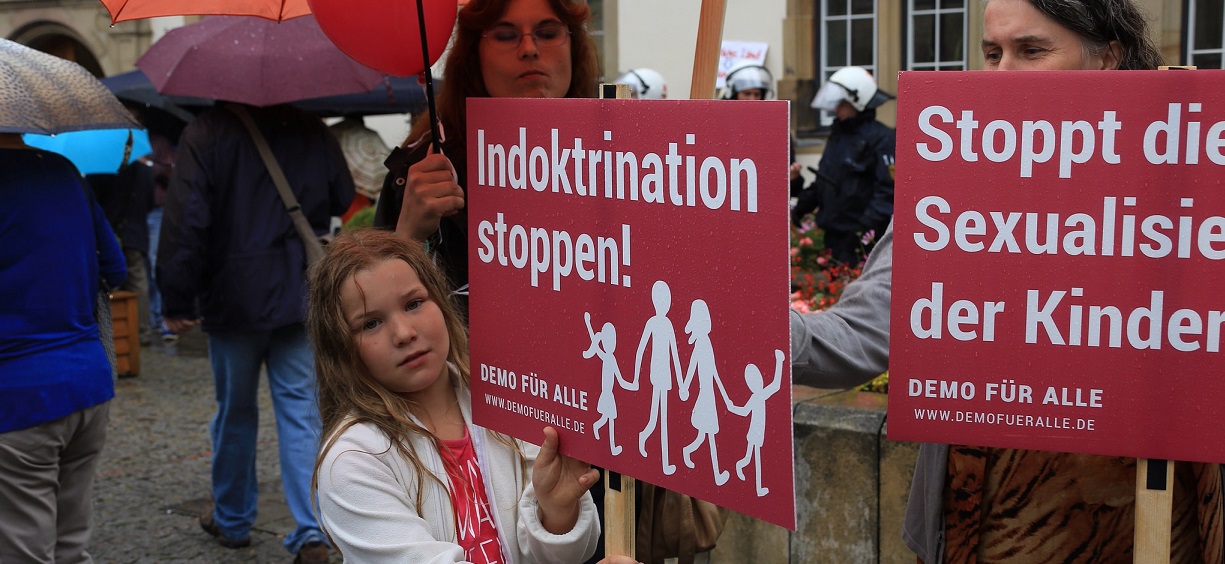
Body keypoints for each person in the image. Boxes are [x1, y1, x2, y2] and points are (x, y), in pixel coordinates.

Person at [790, 1, 1224, 562]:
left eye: (1032, 50)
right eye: (992, 53)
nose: (1001, 75)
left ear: (1109, 58)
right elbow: (862, 333)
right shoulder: (954, 186)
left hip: (1144, 530)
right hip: (978, 527)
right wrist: (753, 327)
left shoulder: (1189, 190)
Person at [308, 229, 639, 563]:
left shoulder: (506, 398)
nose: (404, 333)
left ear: (440, 299)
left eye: (414, 304)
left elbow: (559, 554)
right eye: (371, 324)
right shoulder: (351, 462)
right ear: (341, 346)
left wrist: (557, 512)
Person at [157, 102, 354, 563]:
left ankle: (231, 517)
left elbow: (187, 220)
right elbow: (343, 193)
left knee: (235, 415)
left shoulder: (206, 133)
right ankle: (311, 532)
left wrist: (177, 299)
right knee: (301, 415)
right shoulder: (310, 125)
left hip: (233, 298)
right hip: (298, 292)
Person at [372, 0, 601, 319]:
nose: (529, 49)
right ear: (472, 55)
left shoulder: (618, 160)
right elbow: (376, 311)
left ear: (574, 47)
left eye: (547, 33)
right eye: (505, 35)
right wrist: (409, 235)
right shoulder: (423, 168)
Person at [0, 133, 126, 562]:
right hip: (87, 382)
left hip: (18, 399)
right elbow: (115, 266)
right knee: (71, 543)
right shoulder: (64, 170)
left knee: (24, 549)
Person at [792, 66, 895, 265]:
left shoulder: (883, 139)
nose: (836, 109)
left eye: (841, 103)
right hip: (833, 237)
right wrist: (803, 206)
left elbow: (886, 196)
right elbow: (826, 180)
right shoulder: (839, 135)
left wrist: (859, 236)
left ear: (858, 101)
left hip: (862, 245)